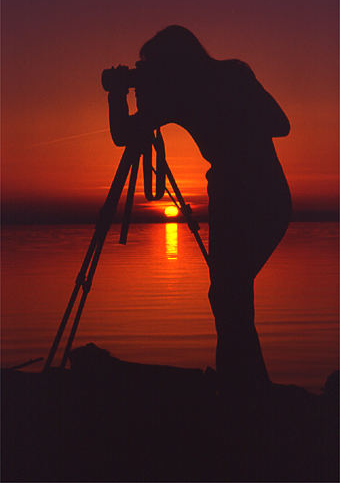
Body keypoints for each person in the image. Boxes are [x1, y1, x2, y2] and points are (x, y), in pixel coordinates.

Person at [107, 25, 291, 397]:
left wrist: (116, 95)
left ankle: (245, 393)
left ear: (174, 63)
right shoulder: (196, 89)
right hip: (240, 199)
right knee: (229, 294)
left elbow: (280, 124)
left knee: (228, 293)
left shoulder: (222, 80)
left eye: (153, 66)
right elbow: (127, 135)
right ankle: (246, 387)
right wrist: (126, 96)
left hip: (256, 198)